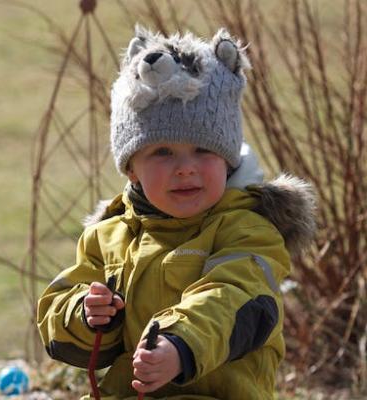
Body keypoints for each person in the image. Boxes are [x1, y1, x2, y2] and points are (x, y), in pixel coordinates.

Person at [37, 26, 316, 399]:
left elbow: (233, 295)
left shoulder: (248, 230)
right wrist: (89, 316)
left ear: (228, 160)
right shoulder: (108, 237)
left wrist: (179, 344)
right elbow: (57, 318)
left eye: (203, 150)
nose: (186, 168)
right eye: (163, 153)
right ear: (132, 168)